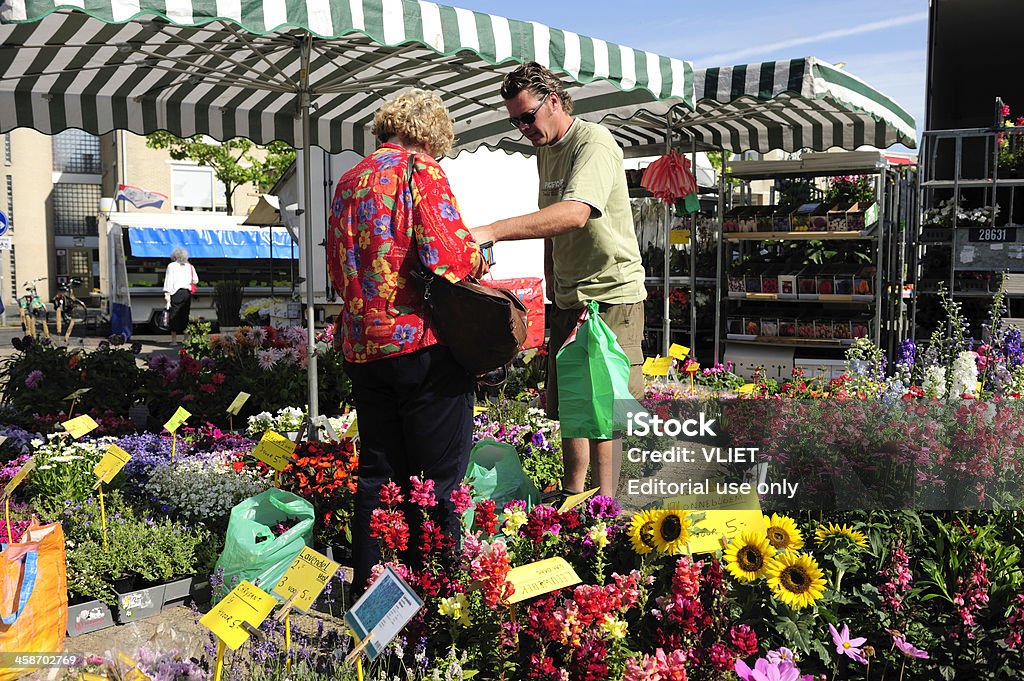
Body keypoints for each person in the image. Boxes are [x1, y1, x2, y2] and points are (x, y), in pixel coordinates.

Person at [326, 88, 487, 593]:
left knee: (379, 477)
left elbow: (336, 265)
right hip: (419, 346)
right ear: (431, 134)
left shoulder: (349, 179)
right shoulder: (420, 172)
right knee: (438, 483)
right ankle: (434, 596)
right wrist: (481, 257)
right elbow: (450, 258)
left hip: (363, 347)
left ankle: (373, 596)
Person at [472, 62, 646, 500]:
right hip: (570, 294)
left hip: (611, 293)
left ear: (553, 101)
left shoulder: (594, 143)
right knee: (572, 400)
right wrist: (551, 284)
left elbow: (574, 213)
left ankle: (607, 508)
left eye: (527, 116)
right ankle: (572, 496)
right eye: (515, 121)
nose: (522, 127)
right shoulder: (546, 150)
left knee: (604, 407)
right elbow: (551, 225)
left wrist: (492, 230)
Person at [162, 247, 198, 344]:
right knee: (185, 315)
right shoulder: (190, 266)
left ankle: (174, 340)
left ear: (174, 256)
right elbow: (195, 280)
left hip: (175, 293)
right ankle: (185, 339)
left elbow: (168, 281)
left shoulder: (171, 266)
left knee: (174, 316)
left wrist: (167, 293)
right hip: (187, 293)